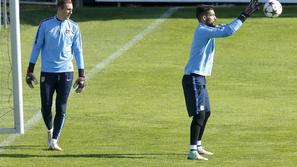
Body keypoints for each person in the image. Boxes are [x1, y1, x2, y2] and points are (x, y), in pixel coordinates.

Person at [182, 0, 259, 160]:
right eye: (211, 15)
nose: (215, 18)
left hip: (199, 78)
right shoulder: (203, 30)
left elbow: (226, 27)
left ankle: (198, 146)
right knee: (199, 114)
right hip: (193, 78)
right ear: (203, 18)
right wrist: (244, 15)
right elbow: (228, 31)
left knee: (207, 112)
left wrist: (242, 18)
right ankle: (192, 151)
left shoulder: (209, 28)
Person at [25, 0, 86, 151]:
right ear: (59, 8)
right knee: (46, 107)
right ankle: (50, 130)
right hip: (48, 72)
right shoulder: (45, 25)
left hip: (66, 72)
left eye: (71, 9)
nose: (71, 12)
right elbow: (37, 46)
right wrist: (30, 70)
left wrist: (82, 75)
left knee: (61, 107)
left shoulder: (74, 27)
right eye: (68, 9)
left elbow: (78, 51)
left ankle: (54, 140)